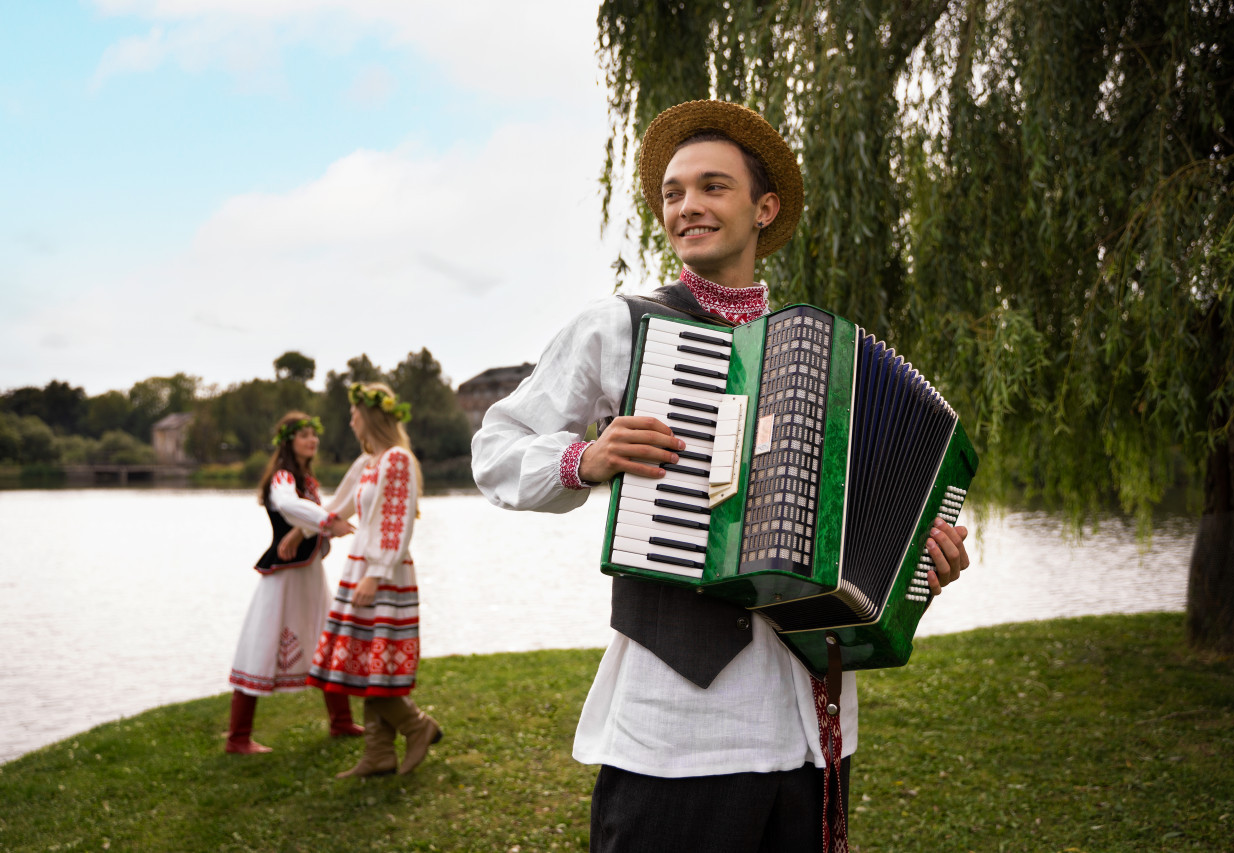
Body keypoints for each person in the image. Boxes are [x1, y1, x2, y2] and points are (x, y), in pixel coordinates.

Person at [471, 100, 971, 852]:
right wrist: (585, 458)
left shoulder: (823, 356)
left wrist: (920, 565)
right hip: (677, 728)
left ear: (763, 209)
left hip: (810, 727)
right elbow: (497, 448)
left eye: (712, 187)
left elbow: (861, 518)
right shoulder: (619, 326)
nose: (687, 206)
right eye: (673, 192)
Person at [307, 382, 443, 778]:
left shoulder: (397, 459)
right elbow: (342, 509)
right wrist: (307, 528)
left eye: (354, 412)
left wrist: (377, 573)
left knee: (372, 664)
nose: (350, 420)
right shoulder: (371, 461)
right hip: (361, 568)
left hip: (382, 572)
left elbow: (396, 522)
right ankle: (379, 754)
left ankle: (418, 727)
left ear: (371, 416)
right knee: (369, 665)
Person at [225, 412, 360, 755]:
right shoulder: (283, 477)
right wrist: (327, 520)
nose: (311, 440)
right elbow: (288, 506)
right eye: (303, 435)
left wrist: (314, 527)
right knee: (263, 641)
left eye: (314, 434)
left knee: (325, 637)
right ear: (288, 441)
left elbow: (305, 515)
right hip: (284, 576)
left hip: (309, 572)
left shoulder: (308, 480)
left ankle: (340, 721)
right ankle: (238, 738)